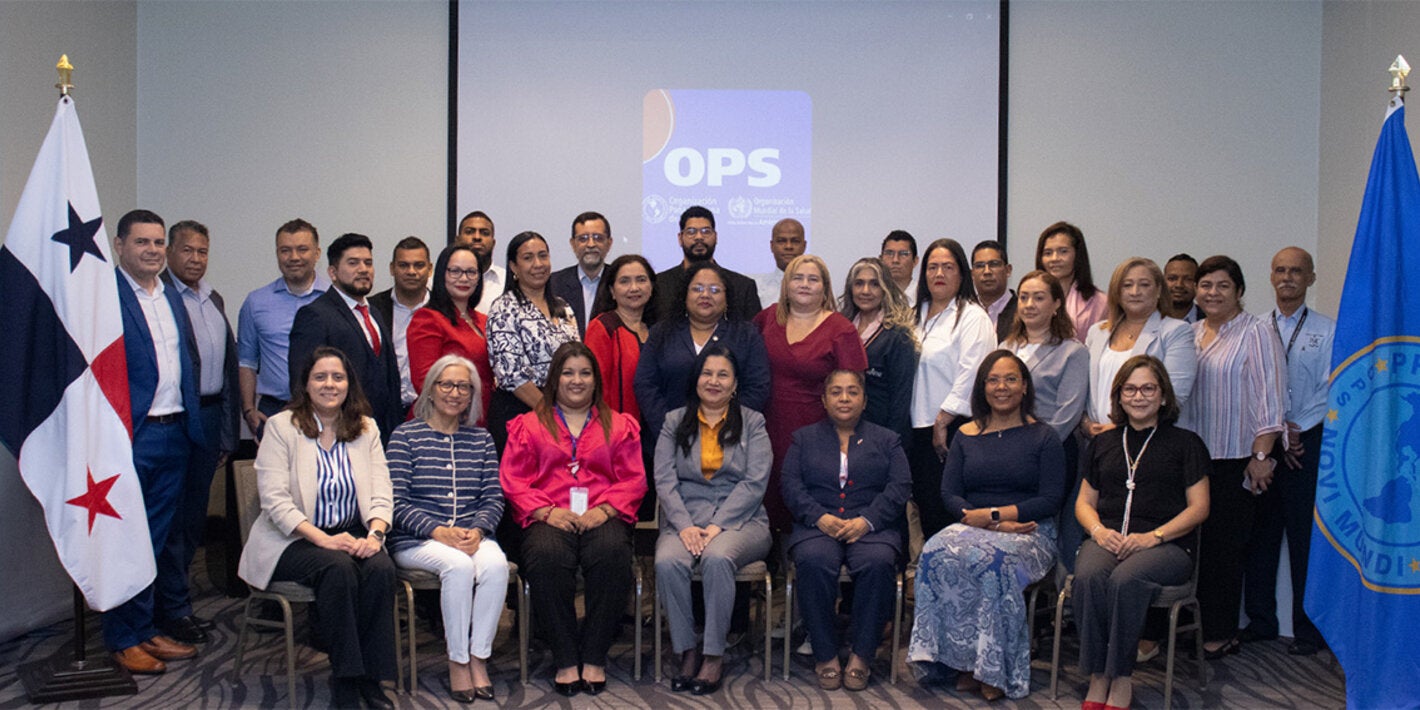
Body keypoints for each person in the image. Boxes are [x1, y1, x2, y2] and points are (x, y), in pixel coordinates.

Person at [237, 346, 396, 710]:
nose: (330, 384)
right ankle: (346, 678)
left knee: (381, 568)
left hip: (351, 530)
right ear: (305, 385)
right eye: (320, 377)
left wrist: (375, 534)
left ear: (348, 384)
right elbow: (275, 501)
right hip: (292, 539)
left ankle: (373, 678)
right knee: (337, 567)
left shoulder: (365, 427)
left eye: (337, 377)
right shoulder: (281, 427)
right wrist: (323, 539)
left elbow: (381, 487)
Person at [909, 351, 1064, 700]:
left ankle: (993, 668)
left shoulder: (1044, 437)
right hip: (976, 526)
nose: (1001, 387)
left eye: (1010, 379)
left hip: (1032, 532)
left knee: (993, 565)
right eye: (993, 380)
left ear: (1024, 387)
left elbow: (1050, 499)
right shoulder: (965, 434)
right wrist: (987, 524)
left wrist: (997, 516)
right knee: (934, 553)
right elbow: (949, 493)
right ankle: (956, 662)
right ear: (982, 388)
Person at [499, 343, 647, 696]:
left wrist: (606, 509)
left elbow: (634, 479)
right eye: (568, 373)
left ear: (596, 380)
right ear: (554, 379)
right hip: (547, 513)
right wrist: (545, 511)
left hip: (603, 512)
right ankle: (566, 657)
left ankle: (594, 655)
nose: (576, 380)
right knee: (546, 557)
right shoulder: (530, 425)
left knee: (612, 553)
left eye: (585, 373)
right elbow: (513, 479)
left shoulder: (621, 425)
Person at [1074, 355, 1211, 710]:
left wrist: (1154, 537)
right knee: (1088, 574)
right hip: (1109, 539)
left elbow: (1199, 507)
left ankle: (1120, 678)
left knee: (1124, 580)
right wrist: (1098, 531)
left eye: (1148, 388)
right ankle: (1097, 676)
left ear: (1163, 396)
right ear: (1118, 397)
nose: (1139, 396)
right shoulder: (1103, 443)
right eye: (1130, 389)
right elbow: (1084, 502)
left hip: (1167, 548)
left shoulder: (1186, 443)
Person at [106, 210, 204, 675]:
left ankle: (146, 629)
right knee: (126, 538)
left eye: (159, 242)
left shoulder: (170, 295)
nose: (152, 250)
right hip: (133, 435)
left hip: (175, 431)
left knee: (159, 539)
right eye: (142, 241)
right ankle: (122, 636)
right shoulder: (105, 296)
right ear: (119, 245)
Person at [387, 355, 507, 703]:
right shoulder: (405, 436)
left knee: (496, 565)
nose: (455, 393)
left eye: (464, 387)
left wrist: (480, 530)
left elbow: (493, 497)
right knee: (457, 566)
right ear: (431, 389)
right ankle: (457, 662)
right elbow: (395, 501)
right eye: (447, 384)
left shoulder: (481, 440)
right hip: (417, 539)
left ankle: (478, 657)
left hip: (471, 535)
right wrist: (437, 531)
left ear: (473, 395)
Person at [654, 345, 772, 695]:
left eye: (723, 375)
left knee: (718, 557)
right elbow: (665, 480)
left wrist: (718, 525)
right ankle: (686, 649)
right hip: (685, 518)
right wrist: (685, 525)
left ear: (735, 384)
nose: (714, 381)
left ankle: (713, 654)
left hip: (742, 520)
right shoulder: (674, 421)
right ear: (696, 379)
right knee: (667, 561)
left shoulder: (753, 422)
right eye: (707, 373)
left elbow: (755, 481)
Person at [781, 370, 910, 691]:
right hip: (817, 526)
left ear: (864, 400)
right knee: (813, 560)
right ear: (824, 400)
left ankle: (861, 656)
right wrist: (817, 516)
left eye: (852, 392)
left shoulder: (887, 440)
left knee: (878, 562)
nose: (844, 398)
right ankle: (825, 654)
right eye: (836, 392)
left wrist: (867, 521)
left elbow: (900, 486)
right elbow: (790, 485)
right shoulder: (803, 438)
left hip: (872, 527)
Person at [1184, 255, 1286, 659]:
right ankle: (1191, 626)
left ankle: (1221, 632)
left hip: (1235, 458)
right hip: (1191, 459)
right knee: (1193, 549)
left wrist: (1262, 455)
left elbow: (1271, 398)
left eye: (1222, 285)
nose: (1212, 293)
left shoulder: (1257, 332)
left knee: (1224, 551)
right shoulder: (1188, 334)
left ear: (1240, 291)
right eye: (1205, 285)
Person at [1241, 247, 1334, 656]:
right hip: (1262, 442)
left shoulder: (1329, 330)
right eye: (1280, 270)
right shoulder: (1255, 328)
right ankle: (1261, 622)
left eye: (1297, 271)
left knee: (1303, 539)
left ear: (1311, 278)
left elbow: (1331, 386)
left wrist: (1296, 427)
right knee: (1259, 534)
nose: (1288, 277)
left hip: (1305, 443)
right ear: (1271, 275)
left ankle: (1307, 630)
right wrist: (1275, 428)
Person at [156, 219, 239, 645]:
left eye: (202, 251)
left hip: (209, 418)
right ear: (170, 252)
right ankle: (170, 609)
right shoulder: (159, 297)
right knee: (170, 521)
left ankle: (176, 603)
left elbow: (225, 371)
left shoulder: (213, 298)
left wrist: (226, 434)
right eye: (187, 250)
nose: (195, 259)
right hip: (175, 419)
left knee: (192, 520)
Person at [754, 255, 868, 532]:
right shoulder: (767, 318)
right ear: (786, 284)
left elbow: (854, 389)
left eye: (813, 279)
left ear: (825, 287)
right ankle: (772, 565)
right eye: (798, 278)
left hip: (819, 432)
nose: (805, 284)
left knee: (808, 501)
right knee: (767, 496)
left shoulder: (841, 329)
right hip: (767, 425)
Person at [1000, 270, 1091, 570]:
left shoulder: (1072, 352)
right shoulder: (1005, 348)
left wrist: (1032, 447)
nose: (1029, 304)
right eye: (1024, 297)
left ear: (1056, 305)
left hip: (1052, 451)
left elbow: (1069, 412)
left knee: (1051, 525)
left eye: (1039, 298)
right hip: (1007, 451)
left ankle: (1058, 602)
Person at [909, 238, 996, 539]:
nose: (939, 273)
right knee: (923, 508)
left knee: (945, 512)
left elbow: (972, 371)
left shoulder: (972, 317)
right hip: (916, 427)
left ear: (962, 274)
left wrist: (944, 418)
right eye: (932, 267)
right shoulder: (913, 314)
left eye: (948, 266)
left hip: (952, 429)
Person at [635, 262, 771, 449]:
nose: (705, 295)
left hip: (728, 442)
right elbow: (645, 384)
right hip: (668, 441)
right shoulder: (662, 333)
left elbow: (758, 387)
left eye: (715, 290)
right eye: (697, 288)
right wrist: (669, 429)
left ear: (727, 297)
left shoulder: (745, 335)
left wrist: (726, 429)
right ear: (685, 294)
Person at [288, 233, 403, 444]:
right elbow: (301, 381)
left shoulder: (375, 313)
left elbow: (388, 377)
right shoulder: (315, 315)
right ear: (332, 272)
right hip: (337, 434)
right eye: (353, 263)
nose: (363, 269)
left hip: (380, 435)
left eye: (368, 263)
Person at [1082, 258, 1198, 440]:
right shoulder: (1097, 332)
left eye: (1144, 285)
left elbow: (1175, 395)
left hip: (1153, 441)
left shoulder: (1176, 331)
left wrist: (1119, 428)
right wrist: (1086, 423)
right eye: (1127, 285)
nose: (1135, 292)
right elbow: (1083, 388)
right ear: (1116, 292)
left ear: (1159, 290)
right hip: (1097, 441)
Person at [486, 230, 580, 454]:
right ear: (513, 267)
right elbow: (511, 375)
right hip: (521, 413)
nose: (538, 264)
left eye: (543, 255)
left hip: (563, 411)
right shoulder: (504, 308)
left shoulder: (563, 307)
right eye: (528, 258)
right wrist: (554, 416)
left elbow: (577, 359)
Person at [237, 218, 328, 439]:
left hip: (326, 408)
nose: (294, 257)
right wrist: (249, 410)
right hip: (273, 410)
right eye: (285, 250)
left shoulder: (334, 299)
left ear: (317, 253)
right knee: (275, 474)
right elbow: (246, 361)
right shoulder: (256, 302)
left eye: (302, 249)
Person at [583, 254, 656, 517]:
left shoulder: (657, 330)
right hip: (613, 437)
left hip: (654, 434)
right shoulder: (603, 327)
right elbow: (592, 386)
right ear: (612, 290)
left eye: (641, 280)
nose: (634, 288)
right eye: (625, 281)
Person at [407, 244, 494, 427]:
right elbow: (424, 381)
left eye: (471, 272)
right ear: (441, 275)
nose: (464, 278)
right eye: (455, 271)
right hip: (442, 422)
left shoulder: (485, 321)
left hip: (482, 420)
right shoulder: (427, 319)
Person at [839, 257, 918, 441]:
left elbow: (901, 399)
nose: (865, 291)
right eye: (859, 284)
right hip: (844, 431)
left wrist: (891, 443)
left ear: (885, 289)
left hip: (882, 434)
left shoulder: (898, 336)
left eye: (874, 284)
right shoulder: (842, 329)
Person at [652, 206, 763, 322]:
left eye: (706, 231)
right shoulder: (659, 284)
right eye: (691, 232)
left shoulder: (742, 287)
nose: (699, 237)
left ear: (716, 236)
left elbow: (754, 334)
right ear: (680, 238)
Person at [368, 236, 432, 413]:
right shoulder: (372, 308)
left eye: (419, 265)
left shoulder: (442, 309)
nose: (411, 271)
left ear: (430, 269)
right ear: (392, 269)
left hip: (431, 411)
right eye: (403, 265)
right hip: (383, 410)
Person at [1036, 221, 1106, 342]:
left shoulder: (1100, 302)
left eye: (1063, 251)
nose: (1054, 259)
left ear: (1077, 255)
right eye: (1048, 253)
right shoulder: (1030, 300)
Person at [550, 211, 613, 332]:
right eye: (583, 239)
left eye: (598, 238)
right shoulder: (554, 283)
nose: (590, 244)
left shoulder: (619, 282)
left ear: (609, 243)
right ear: (573, 244)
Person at [453, 210, 504, 313]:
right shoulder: (441, 281)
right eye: (469, 232)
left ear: (493, 243)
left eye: (484, 233)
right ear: (457, 241)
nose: (477, 237)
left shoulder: (507, 281)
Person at [754, 218, 807, 306]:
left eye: (795, 241)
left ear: (804, 246)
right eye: (781, 241)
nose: (788, 246)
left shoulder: (816, 288)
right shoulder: (757, 289)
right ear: (772, 246)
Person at [971, 240, 1016, 342]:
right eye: (980, 266)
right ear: (972, 274)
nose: (987, 271)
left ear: (1008, 270)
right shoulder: (963, 311)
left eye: (994, 264)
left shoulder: (1023, 312)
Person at [879, 230, 919, 305]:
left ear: (915, 261)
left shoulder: (926, 297)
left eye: (903, 254)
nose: (895, 260)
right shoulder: (872, 298)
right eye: (889, 253)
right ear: (881, 259)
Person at [1164, 254, 1204, 323]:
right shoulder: (1145, 317)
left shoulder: (1212, 319)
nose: (1179, 285)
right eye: (1172, 278)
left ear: (1197, 284)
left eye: (1188, 279)